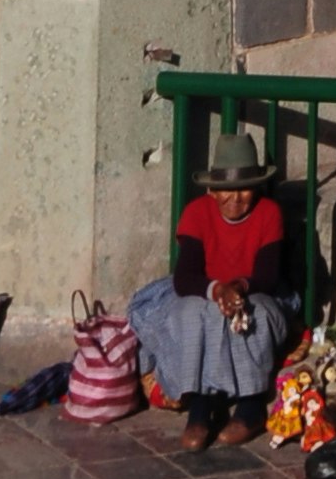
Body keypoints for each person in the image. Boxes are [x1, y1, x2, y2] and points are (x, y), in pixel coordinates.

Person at [127, 128, 297, 452]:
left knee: (251, 315)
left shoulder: (268, 213)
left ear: (257, 187)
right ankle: (200, 405)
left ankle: (251, 403)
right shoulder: (196, 213)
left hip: (256, 289)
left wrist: (239, 288)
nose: (235, 198)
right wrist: (218, 290)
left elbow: (267, 275)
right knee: (193, 314)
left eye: (244, 189)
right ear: (212, 190)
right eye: (226, 190)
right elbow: (185, 277)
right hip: (206, 290)